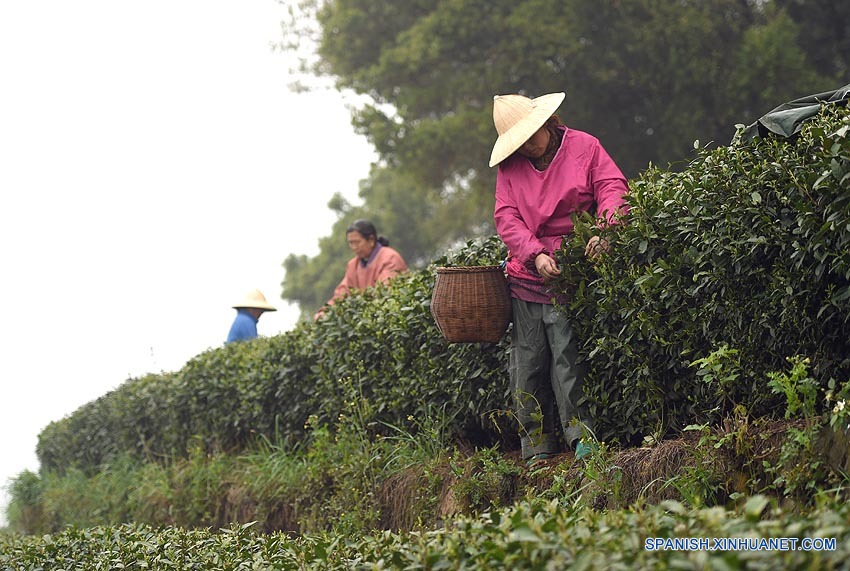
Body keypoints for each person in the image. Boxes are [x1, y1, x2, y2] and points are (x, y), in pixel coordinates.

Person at [490, 92, 629, 466]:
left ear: (548, 122)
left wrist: (605, 230)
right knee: (527, 363)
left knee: (567, 357)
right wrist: (534, 253)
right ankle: (535, 445)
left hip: (572, 268)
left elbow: (613, 188)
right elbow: (506, 218)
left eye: (533, 135)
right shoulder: (510, 168)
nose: (530, 146)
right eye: (520, 142)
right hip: (528, 273)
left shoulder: (584, 146)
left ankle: (581, 437)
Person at [316, 219, 409, 318]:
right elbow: (342, 293)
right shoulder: (353, 265)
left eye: (356, 242)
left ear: (371, 240)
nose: (353, 247)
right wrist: (325, 312)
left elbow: (386, 291)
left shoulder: (389, 258)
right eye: (350, 243)